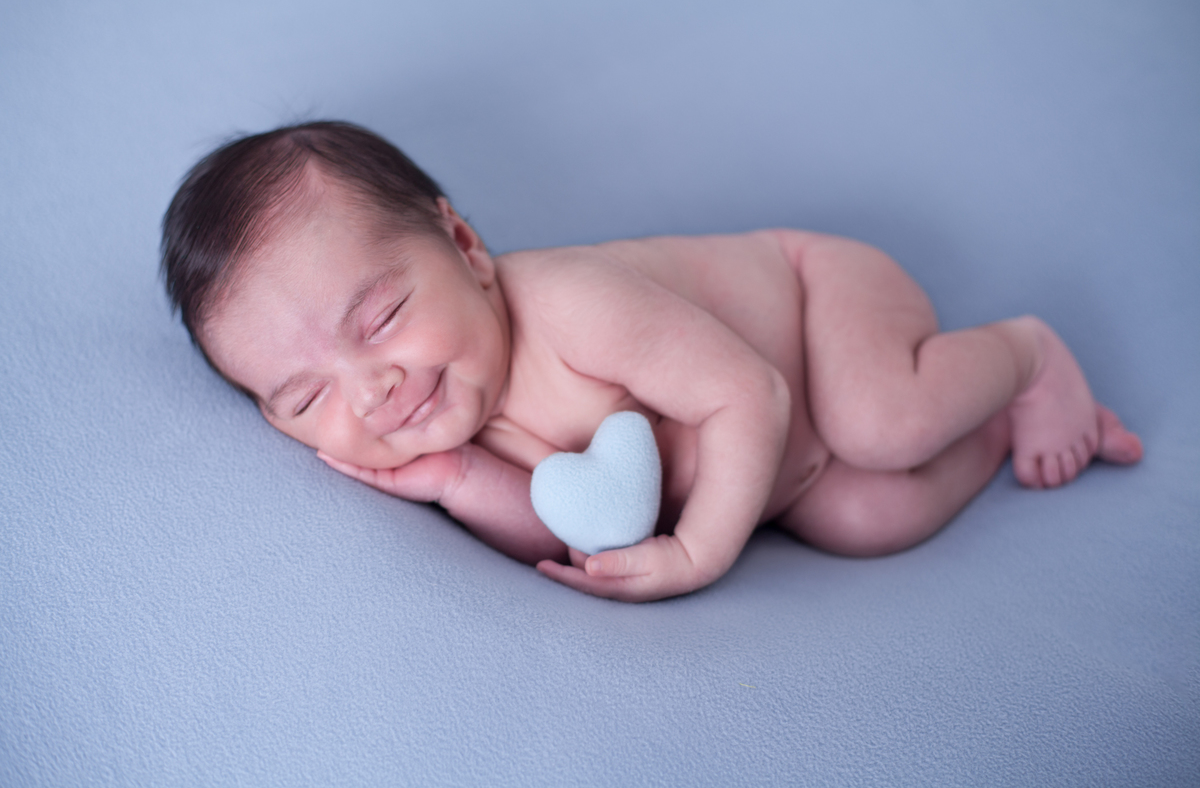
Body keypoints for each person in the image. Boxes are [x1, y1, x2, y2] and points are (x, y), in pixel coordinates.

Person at [162, 121, 1143, 603]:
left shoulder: (574, 306)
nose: (368, 389)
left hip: (816, 305)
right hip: (784, 471)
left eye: (378, 317)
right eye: (303, 395)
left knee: (878, 422)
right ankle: (1002, 423)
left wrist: (697, 552)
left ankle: (1023, 352)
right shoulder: (444, 420)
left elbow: (747, 389)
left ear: (463, 244)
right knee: (863, 514)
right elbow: (558, 524)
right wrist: (455, 478)